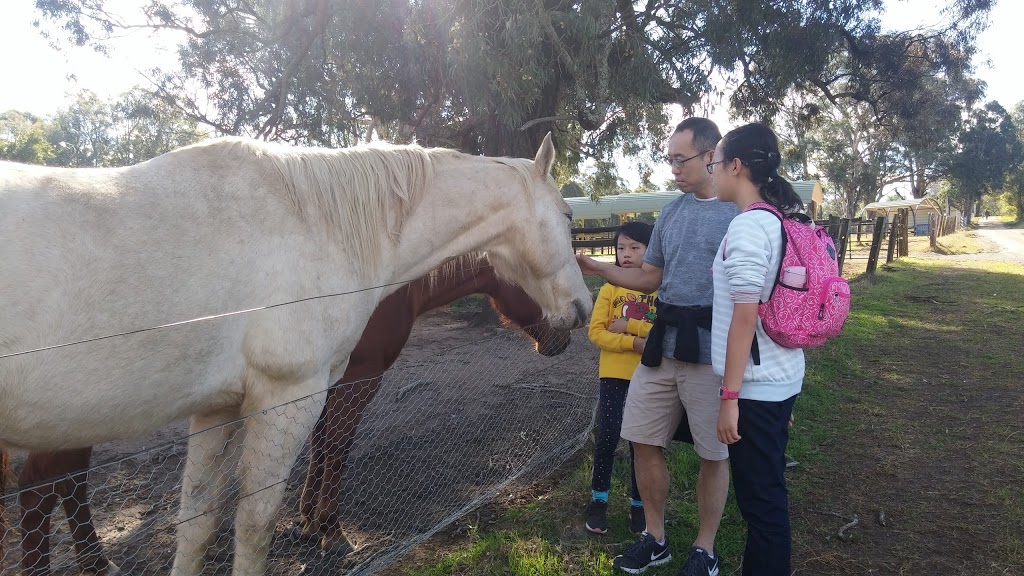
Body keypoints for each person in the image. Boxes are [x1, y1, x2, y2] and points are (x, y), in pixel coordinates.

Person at [577, 117, 737, 575]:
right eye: (669, 160)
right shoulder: (671, 213)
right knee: (642, 439)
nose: (673, 169)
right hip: (659, 348)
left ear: (711, 156)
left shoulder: (739, 213)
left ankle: (704, 548)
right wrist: (599, 268)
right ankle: (656, 536)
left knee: (713, 452)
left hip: (712, 353)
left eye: (680, 159)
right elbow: (650, 276)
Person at [707, 122, 805, 575]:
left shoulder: (749, 229)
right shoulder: (779, 220)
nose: (713, 171)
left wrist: (729, 399)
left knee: (762, 506)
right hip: (781, 378)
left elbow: (745, 318)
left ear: (737, 166)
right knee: (768, 495)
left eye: (716, 162)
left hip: (755, 387)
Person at [585, 221, 657, 535]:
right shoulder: (609, 288)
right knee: (608, 439)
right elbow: (596, 332)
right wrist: (635, 344)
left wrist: (629, 325)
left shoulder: (659, 288)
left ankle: (639, 507)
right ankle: (598, 501)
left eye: (634, 248)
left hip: (649, 376)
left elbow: (662, 332)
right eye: (621, 248)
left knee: (642, 445)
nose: (625, 255)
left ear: (651, 250)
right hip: (613, 376)